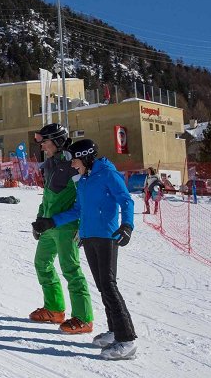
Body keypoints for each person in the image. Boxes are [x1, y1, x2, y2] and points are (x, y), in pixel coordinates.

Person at [34, 139, 137, 360]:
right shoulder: (85, 180)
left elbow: (126, 200)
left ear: (87, 157)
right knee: (102, 286)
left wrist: (127, 225)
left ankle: (126, 340)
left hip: (106, 237)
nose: (72, 165)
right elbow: (78, 209)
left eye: (75, 160)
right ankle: (114, 331)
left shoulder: (108, 174)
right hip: (89, 237)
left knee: (109, 286)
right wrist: (51, 222)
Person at [29, 123, 94, 334]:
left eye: (45, 142)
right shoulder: (50, 163)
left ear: (57, 141)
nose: (42, 147)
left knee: (71, 269)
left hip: (66, 226)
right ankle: (54, 309)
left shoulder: (72, 163)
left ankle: (83, 318)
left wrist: (60, 222)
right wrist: (41, 217)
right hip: (49, 224)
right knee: (42, 263)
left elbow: (83, 201)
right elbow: (48, 194)